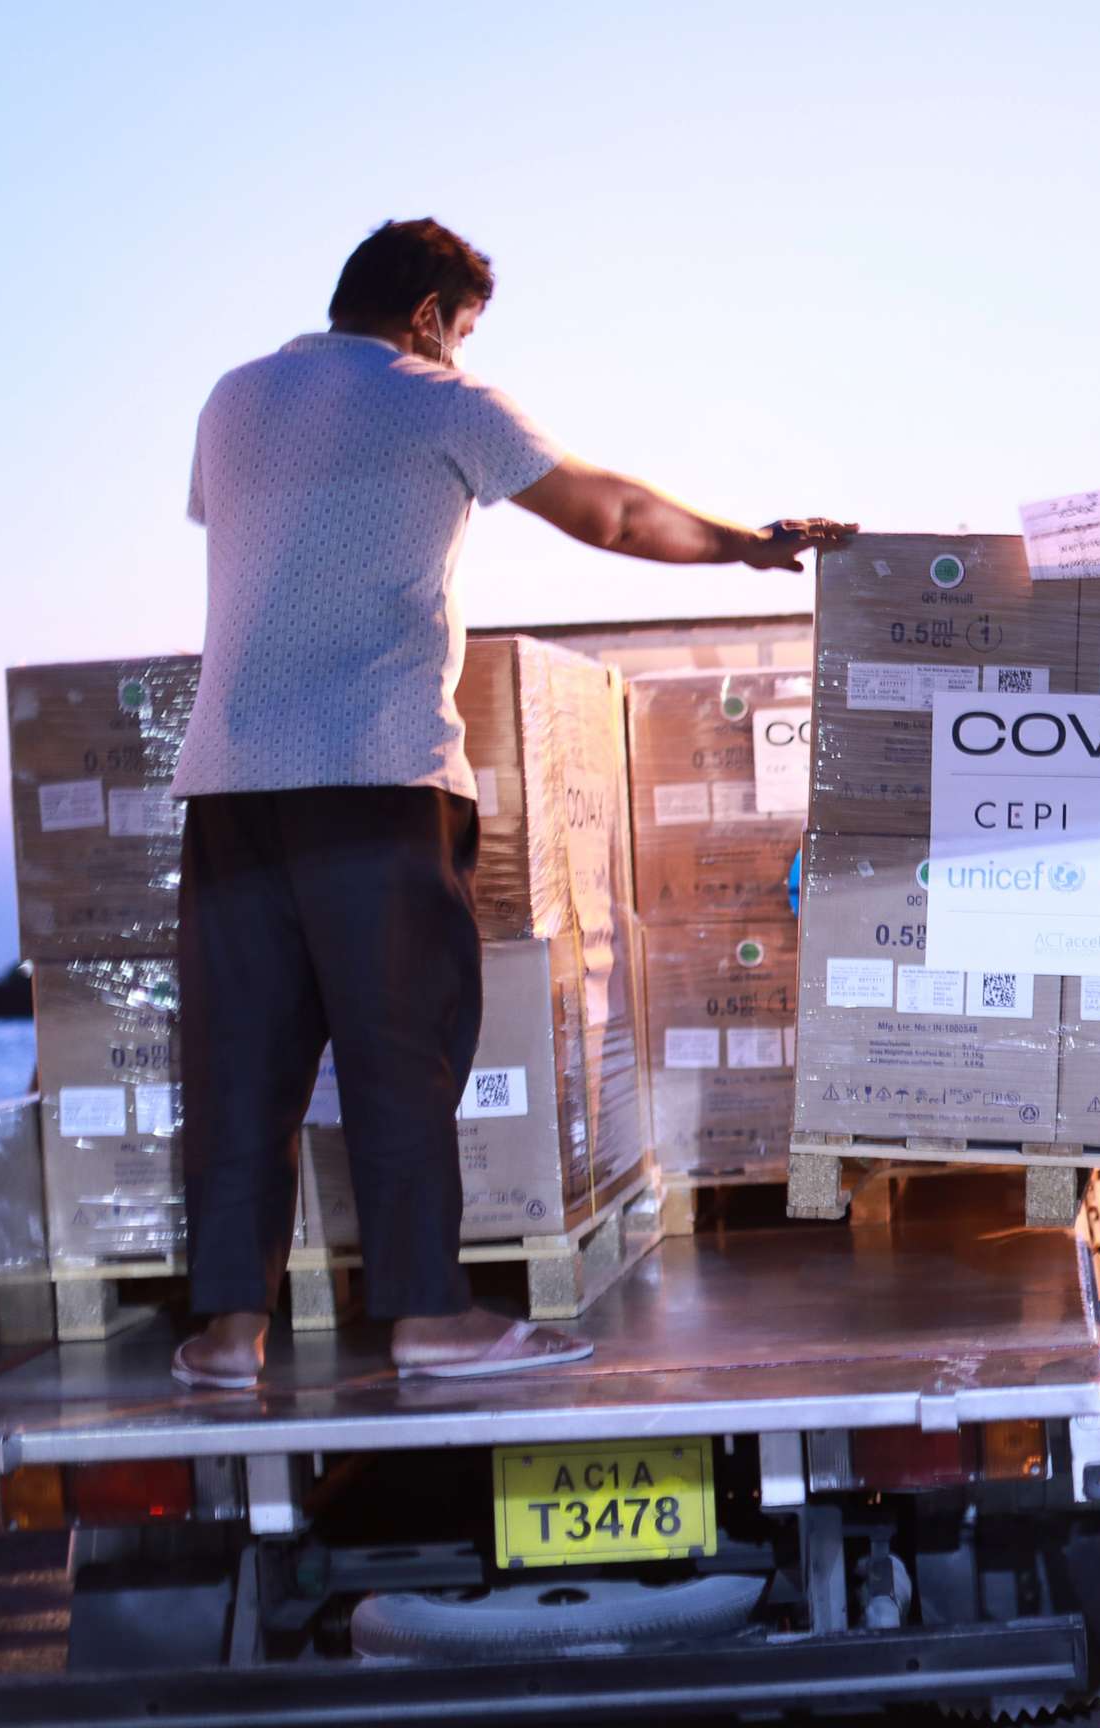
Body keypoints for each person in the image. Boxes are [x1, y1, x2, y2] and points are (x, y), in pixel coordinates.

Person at [170, 219, 853, 1388]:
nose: (464, 351)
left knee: (243, 1071)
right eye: (466, 330)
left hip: (229, 787)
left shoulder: (232, 401)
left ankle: (228, 1334)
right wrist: (747, 545)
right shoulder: (439, 399)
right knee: (399, 1059)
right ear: (431, 316)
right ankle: (429, 1318)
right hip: (374, 776)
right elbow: (615, 516)